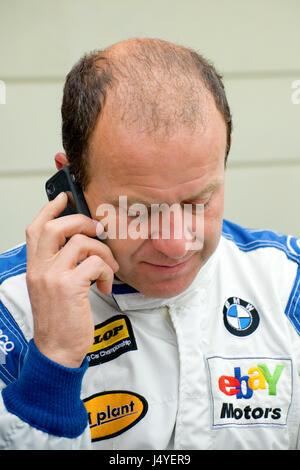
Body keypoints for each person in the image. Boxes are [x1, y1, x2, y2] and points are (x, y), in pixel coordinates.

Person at [0, 38, 299, 450]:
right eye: (137, 209)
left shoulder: (288, 286)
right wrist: (54, 360)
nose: (176, 244)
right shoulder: (9, 312)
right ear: (72, 184)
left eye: (198, 202)